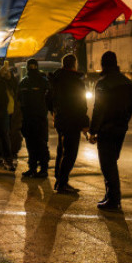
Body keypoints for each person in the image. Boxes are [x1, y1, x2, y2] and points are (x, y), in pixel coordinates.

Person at [89, 51, 132, 212]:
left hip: (107, 129)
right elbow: (131, 108)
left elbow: (98, 108)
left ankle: (114, 198)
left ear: (103, 64)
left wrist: (93, 130)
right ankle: (110, 195)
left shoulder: (103, 83)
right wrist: (124, 123)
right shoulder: (127, 83)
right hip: (120, 128)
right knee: (112, 161)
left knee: (107, 164)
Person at [48, 54, 89, 194]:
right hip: (72, 120)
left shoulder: (56, 79)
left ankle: (59, 180)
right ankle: (62, 183)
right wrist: (84, 124)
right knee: (70, 153)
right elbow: (81, 104)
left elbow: (48, 98)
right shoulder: (76, 81)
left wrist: (54, 112)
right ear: (74, 64)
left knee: (62, 150)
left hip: (60, 120)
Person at [19, 59, 51, 179]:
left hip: (39, 118)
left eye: (33, 66)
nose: (32, 68)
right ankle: (32, 168)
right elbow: (19, 99)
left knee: (41, 144)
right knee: (31, 144)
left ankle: (43, 169)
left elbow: (50, 98)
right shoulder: (24, 82)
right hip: (28, 118)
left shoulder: (42, 82)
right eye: (30, 66)